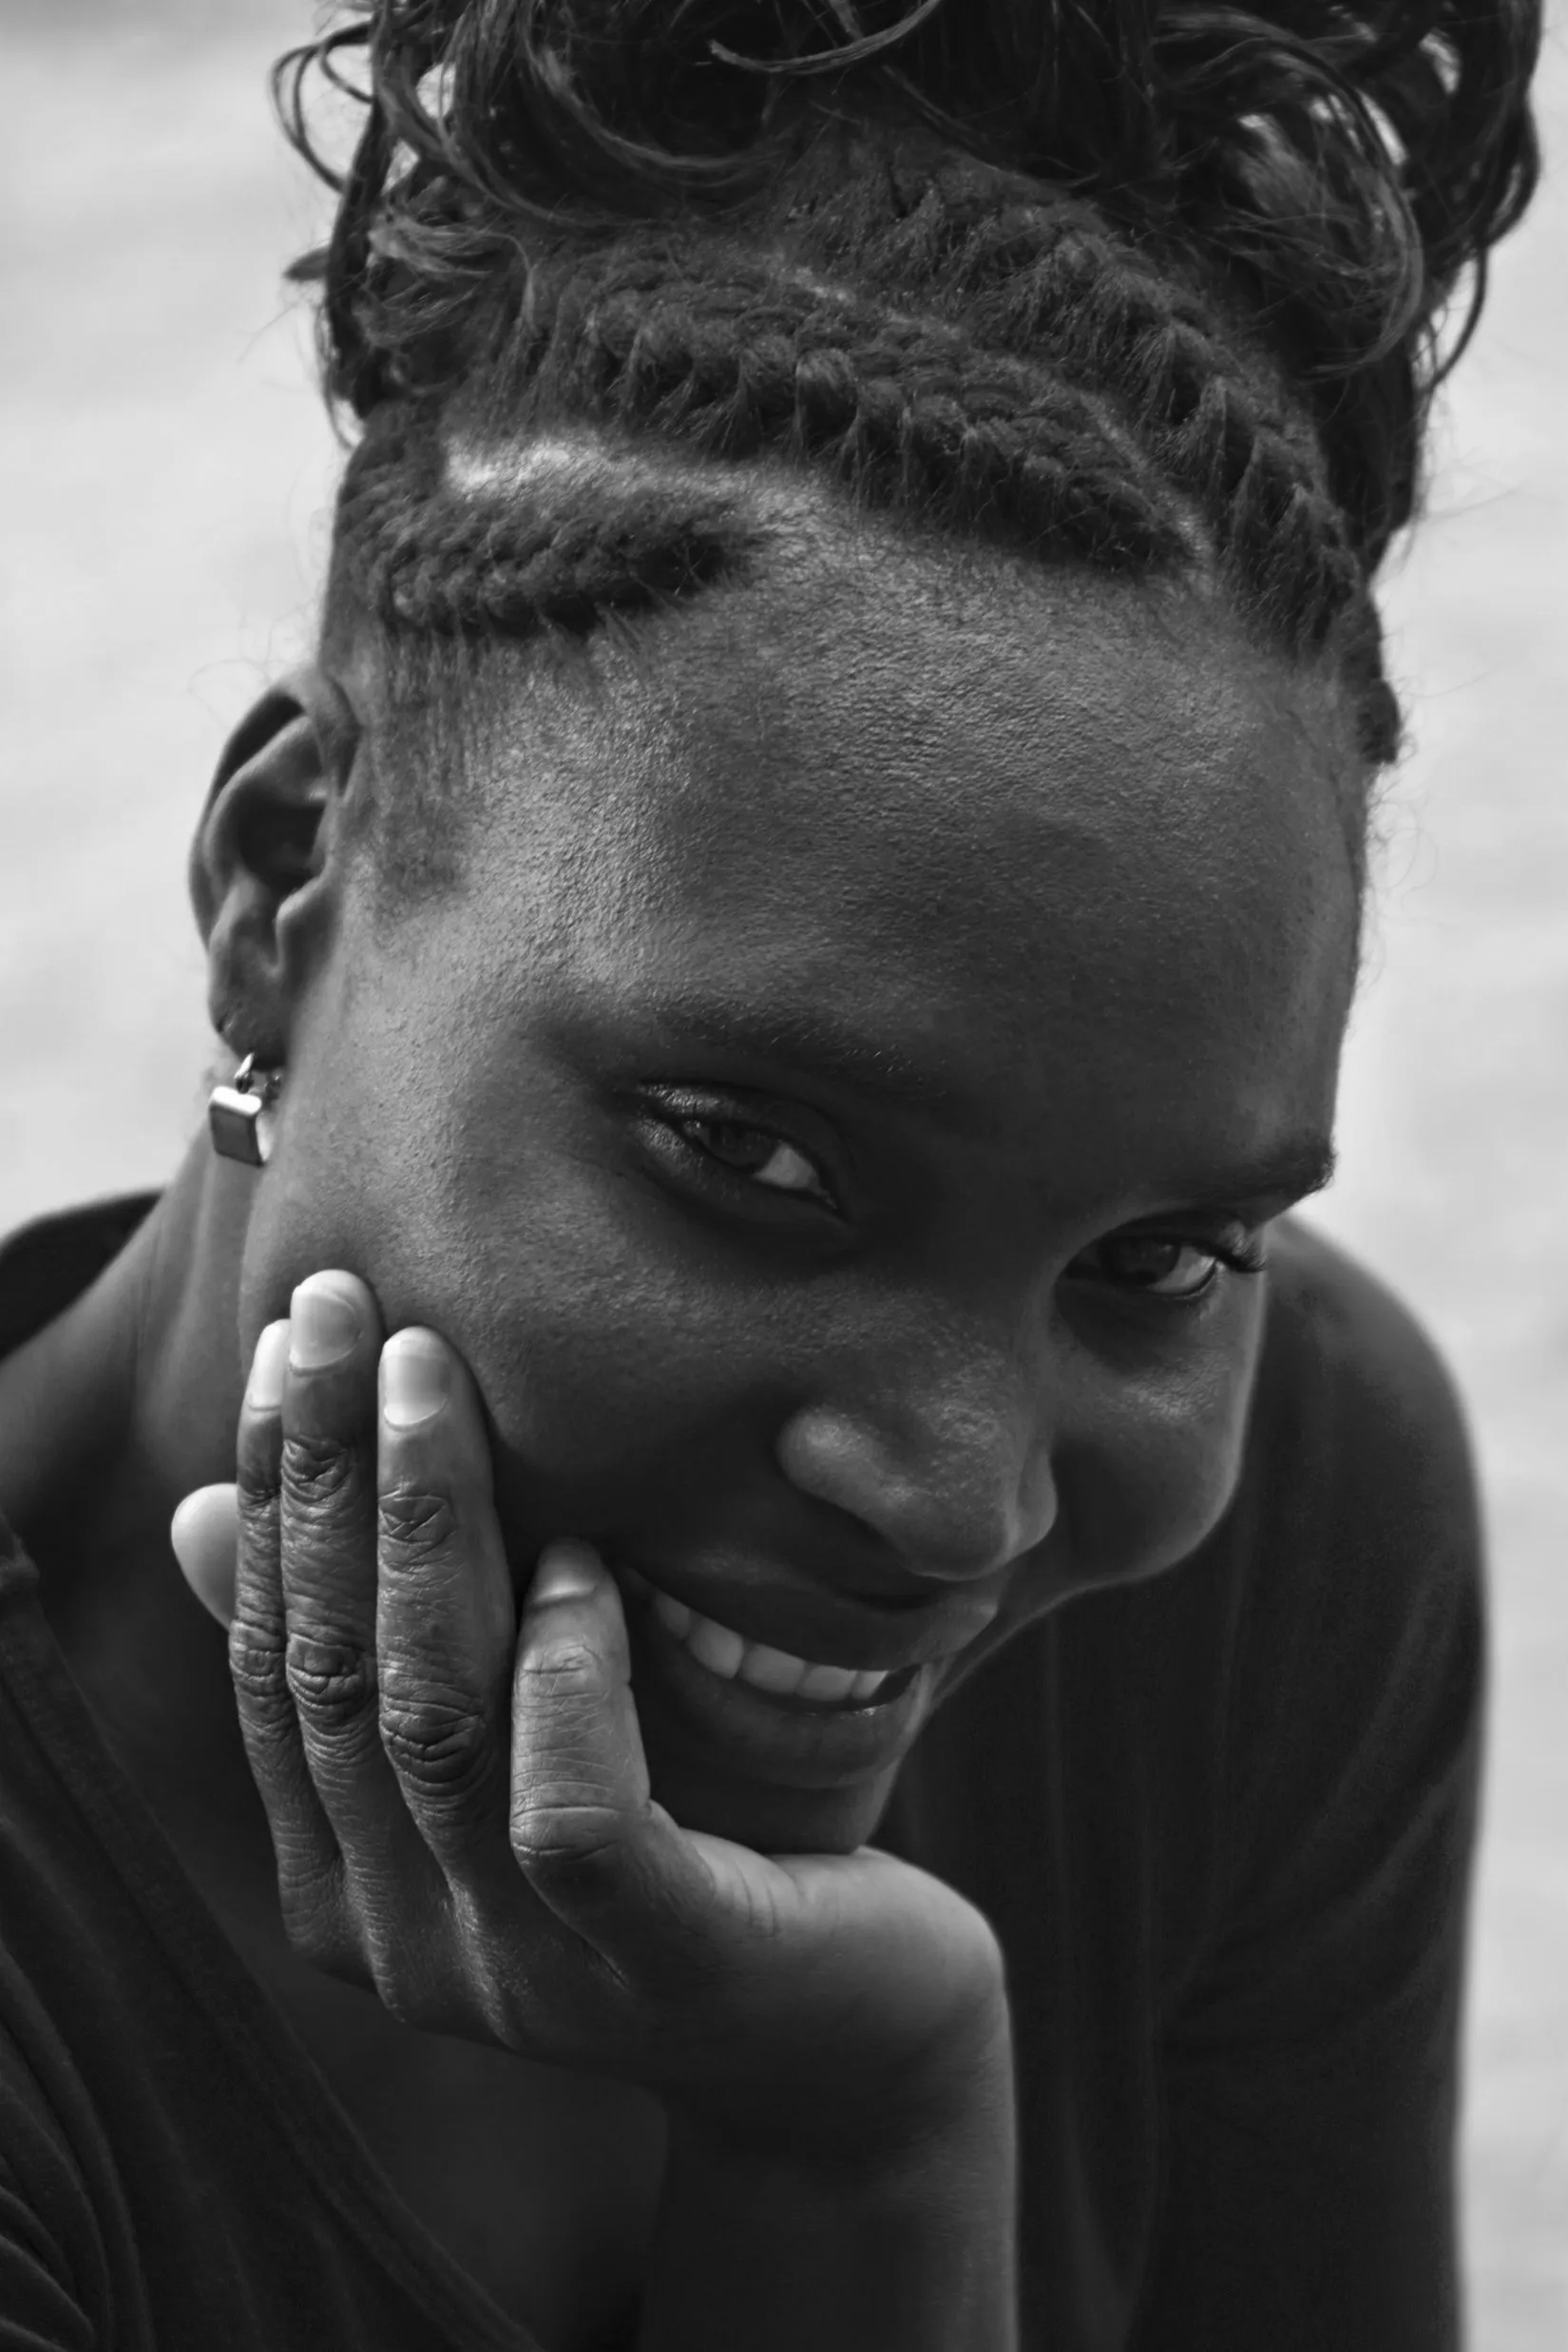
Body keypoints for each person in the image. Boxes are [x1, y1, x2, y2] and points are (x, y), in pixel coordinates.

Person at [0, 0, 1542, 2344]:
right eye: (755, 1154)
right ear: (282, 879)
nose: (959, 1499)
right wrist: (863, 2148)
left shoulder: (1287, 1538)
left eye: (1163, 1254)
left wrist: (858, 2113)